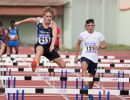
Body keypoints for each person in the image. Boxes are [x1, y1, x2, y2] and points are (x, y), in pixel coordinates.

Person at [15, 7, 66, 72]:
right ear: (43, 16)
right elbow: (30, 19)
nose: (49, 18)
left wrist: (52, 45)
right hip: (40, 44)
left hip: (49, 47)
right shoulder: (39, 20)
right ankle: (34, 64)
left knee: (63, 65)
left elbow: (55, 34)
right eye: (47, 16)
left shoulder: (53, 24)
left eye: (50, 16)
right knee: (39, 51)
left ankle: (50, 58)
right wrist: (20, 22)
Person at [74, 19, 107, 99]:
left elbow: (105, 45)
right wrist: (76, 56)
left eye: (92, 25)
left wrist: (99, 47)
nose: (90, 27)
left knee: (92, 77)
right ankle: (86, 86)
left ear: (94, 26)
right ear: (86, 27)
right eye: (89, 25)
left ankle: (89, 92)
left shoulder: (99, 35)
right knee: (84, 68)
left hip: (94, 58)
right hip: (85, 56)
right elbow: (78, 44)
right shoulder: (82, 34)